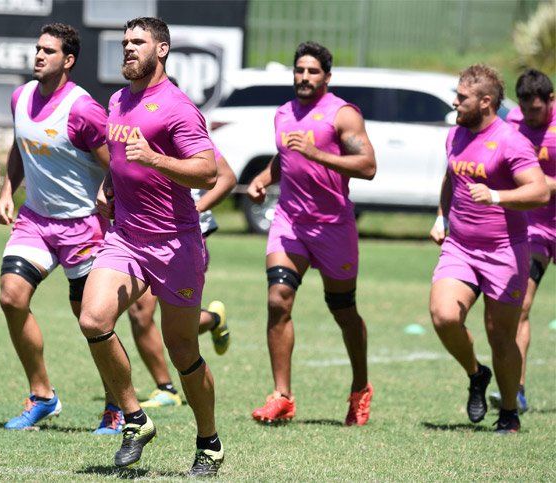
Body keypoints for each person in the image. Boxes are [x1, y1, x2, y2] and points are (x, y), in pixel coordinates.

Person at [78, 17, 223, 476]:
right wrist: (107, 185)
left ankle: (209, 441)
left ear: (161, 50)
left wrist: (155, 159)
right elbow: (122, 158)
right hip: (125, 236)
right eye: (125, 42)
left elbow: (208, 171)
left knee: (182, 351)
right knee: (93, 319)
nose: (128, 48)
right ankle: (135, 419)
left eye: (138, 42)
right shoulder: (118, 100)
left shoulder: (178, 107)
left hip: (175, 243)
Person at [246, 41, 377, 426]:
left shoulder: (342, 114)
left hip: (333, 225)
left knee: (343, 310)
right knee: (278, 300)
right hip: (290, 222)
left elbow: (368, 166)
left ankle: (360, 388)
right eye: (299, 70)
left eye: (313, 71)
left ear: (327, 76)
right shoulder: (284, 113)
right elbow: (286, 156)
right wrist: (264, 177)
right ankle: (282, 396)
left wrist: (316, 153)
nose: (304, 77)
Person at [0, 23, 115, 433]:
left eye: (49, 51)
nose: (40, 55)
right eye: (38, 49)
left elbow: (116, 164)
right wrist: (7, 190)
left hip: (84, 227)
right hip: (35, 221)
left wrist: (109, 196)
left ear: (69, 60)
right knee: (11, 297)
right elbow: (19, 145)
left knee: (92, 320)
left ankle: (116, 404)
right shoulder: (20, 97)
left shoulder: (83, 110)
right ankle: (42, 395)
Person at [428, 64, 548, 434]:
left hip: (504, 252)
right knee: (444, 316)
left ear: (485, 102)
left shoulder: (511, 141)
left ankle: (509, 411)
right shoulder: (456, 135)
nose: (455, 102)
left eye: (462, 97)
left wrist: (496, 196)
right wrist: (442, 217)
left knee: (500, 336)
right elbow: (451, 178)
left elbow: (539, 191)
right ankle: (476, 374)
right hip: (460, 247)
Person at [127, 140, 236, 409]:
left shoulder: (184, 133)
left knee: (175, 324)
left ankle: (213, 319)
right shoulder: (134, 133)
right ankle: (165, 388)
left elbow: (227, 177)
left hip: (186, 237)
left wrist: (197, 209)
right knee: (140, 312)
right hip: (145, 233)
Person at [487, 69, 555, 413]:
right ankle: (518, 389)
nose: (530, 116)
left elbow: (537, 185)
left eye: (537, 110)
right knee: (521, 306)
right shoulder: (512, 122)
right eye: (525, 109)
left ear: (551, 101)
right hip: (534, 230)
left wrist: (539, 185)